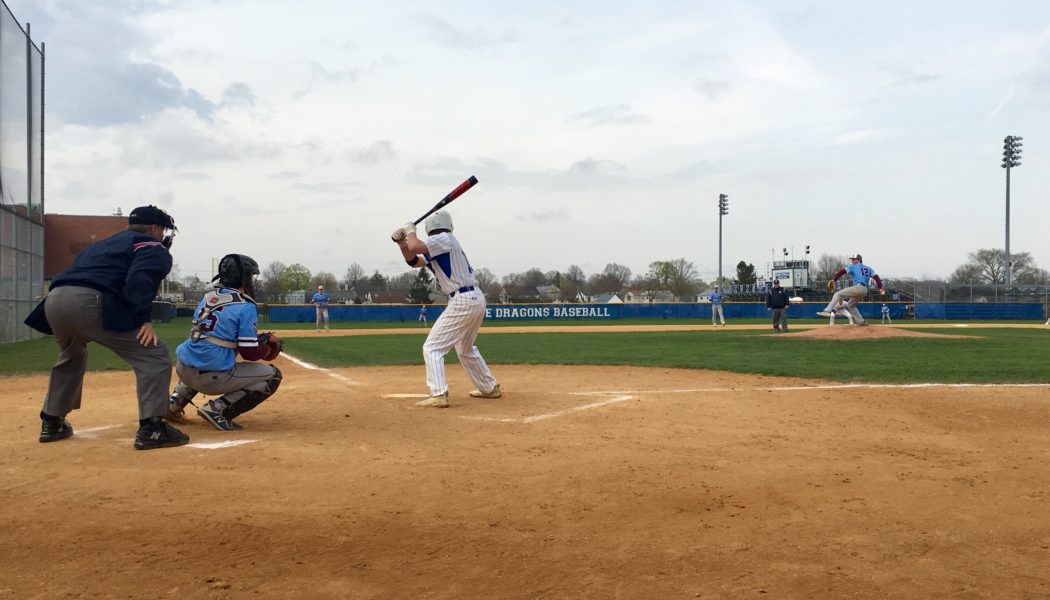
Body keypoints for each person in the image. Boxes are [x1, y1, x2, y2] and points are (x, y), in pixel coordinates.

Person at [23, 205, 189, 450]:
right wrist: (143, 319)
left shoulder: (103, 244)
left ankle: (52, 421)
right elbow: (139, 280)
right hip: (88, 302)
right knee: (153, 355)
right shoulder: (151, 246)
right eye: (162, 229)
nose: (163, 235)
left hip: (54, 301)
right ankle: (152, 429)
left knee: (72, 354)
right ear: (154, 228)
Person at [391, 210, 500, 408]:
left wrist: (409, 232)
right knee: (465, 348)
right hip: (474, 298)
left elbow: (415, 246)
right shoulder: (440, 246)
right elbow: (414, 261)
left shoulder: (444, 239)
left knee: (432, 347)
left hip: (463, 299)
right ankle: (489, 387)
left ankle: (438, 393)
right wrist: (402, 244)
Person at [167, 254, 283, 431]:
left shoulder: (208, 297)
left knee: (203, 351)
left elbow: (220, 332)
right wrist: (265, 348)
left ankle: (173, 403)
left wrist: (258, 339)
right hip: (211, 377)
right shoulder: (246, 305)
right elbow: (249, 353)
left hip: (183, 369)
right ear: (243, 277)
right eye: (250, 276)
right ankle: (218, 410)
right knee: (273, 375)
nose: (252, 280)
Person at [817, 254, 886, 326]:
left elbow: (842, 271)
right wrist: (880, 287)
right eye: (852, 259)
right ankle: (861, 322)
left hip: (858, 287)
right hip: (864, 290)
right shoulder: (869, 268)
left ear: (859, 260)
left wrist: (834, 279)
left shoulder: (853, 266)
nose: (852, 261)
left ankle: (827, 310)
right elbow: (876, 277)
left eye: (854, 259)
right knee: (850, 305)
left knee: (838, 294)